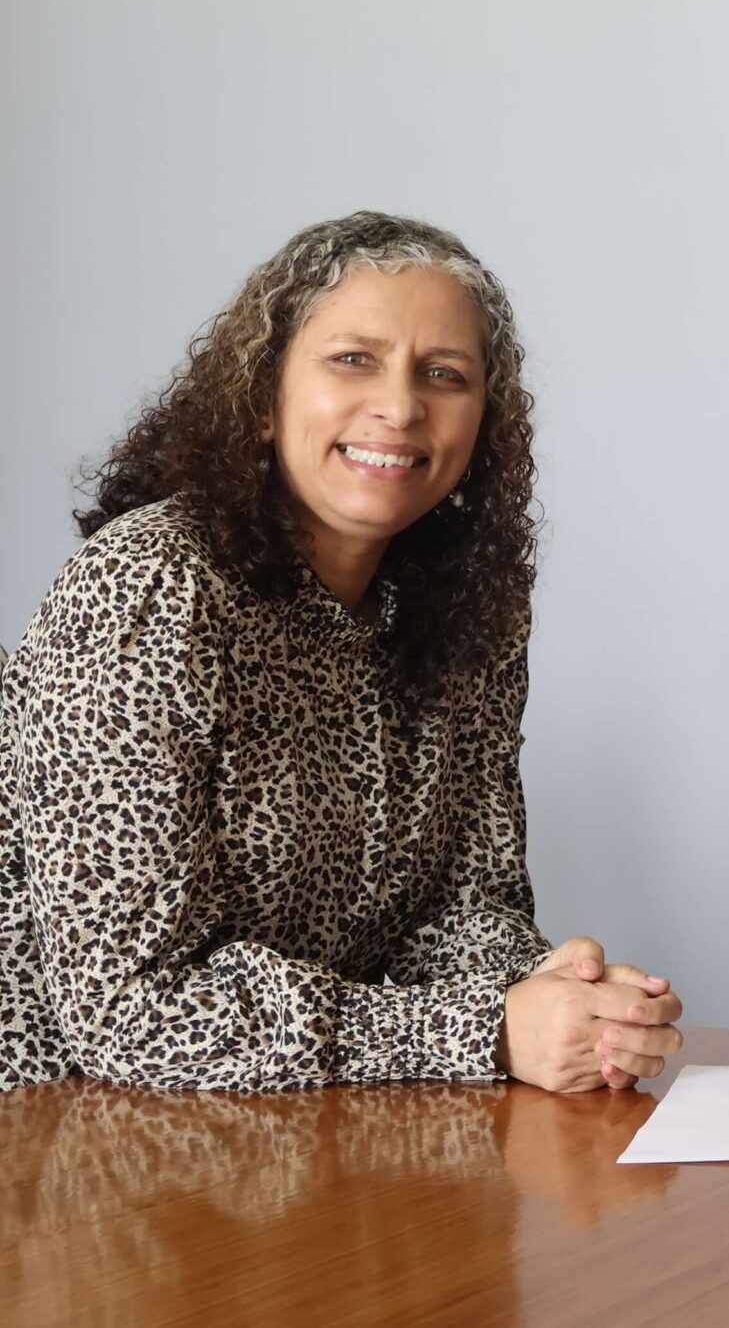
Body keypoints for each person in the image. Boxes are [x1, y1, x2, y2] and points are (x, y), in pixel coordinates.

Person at [0, 212, 681, 1094]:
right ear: (260, 396)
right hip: (65, 1149)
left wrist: (561, 996)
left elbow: (456, 913)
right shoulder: (149, 587)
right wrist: (488, 1028)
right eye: (353, 359)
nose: (400, 406)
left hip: (290, 1142)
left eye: (445, 374)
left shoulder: (468, 613)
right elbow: (133, 1011)